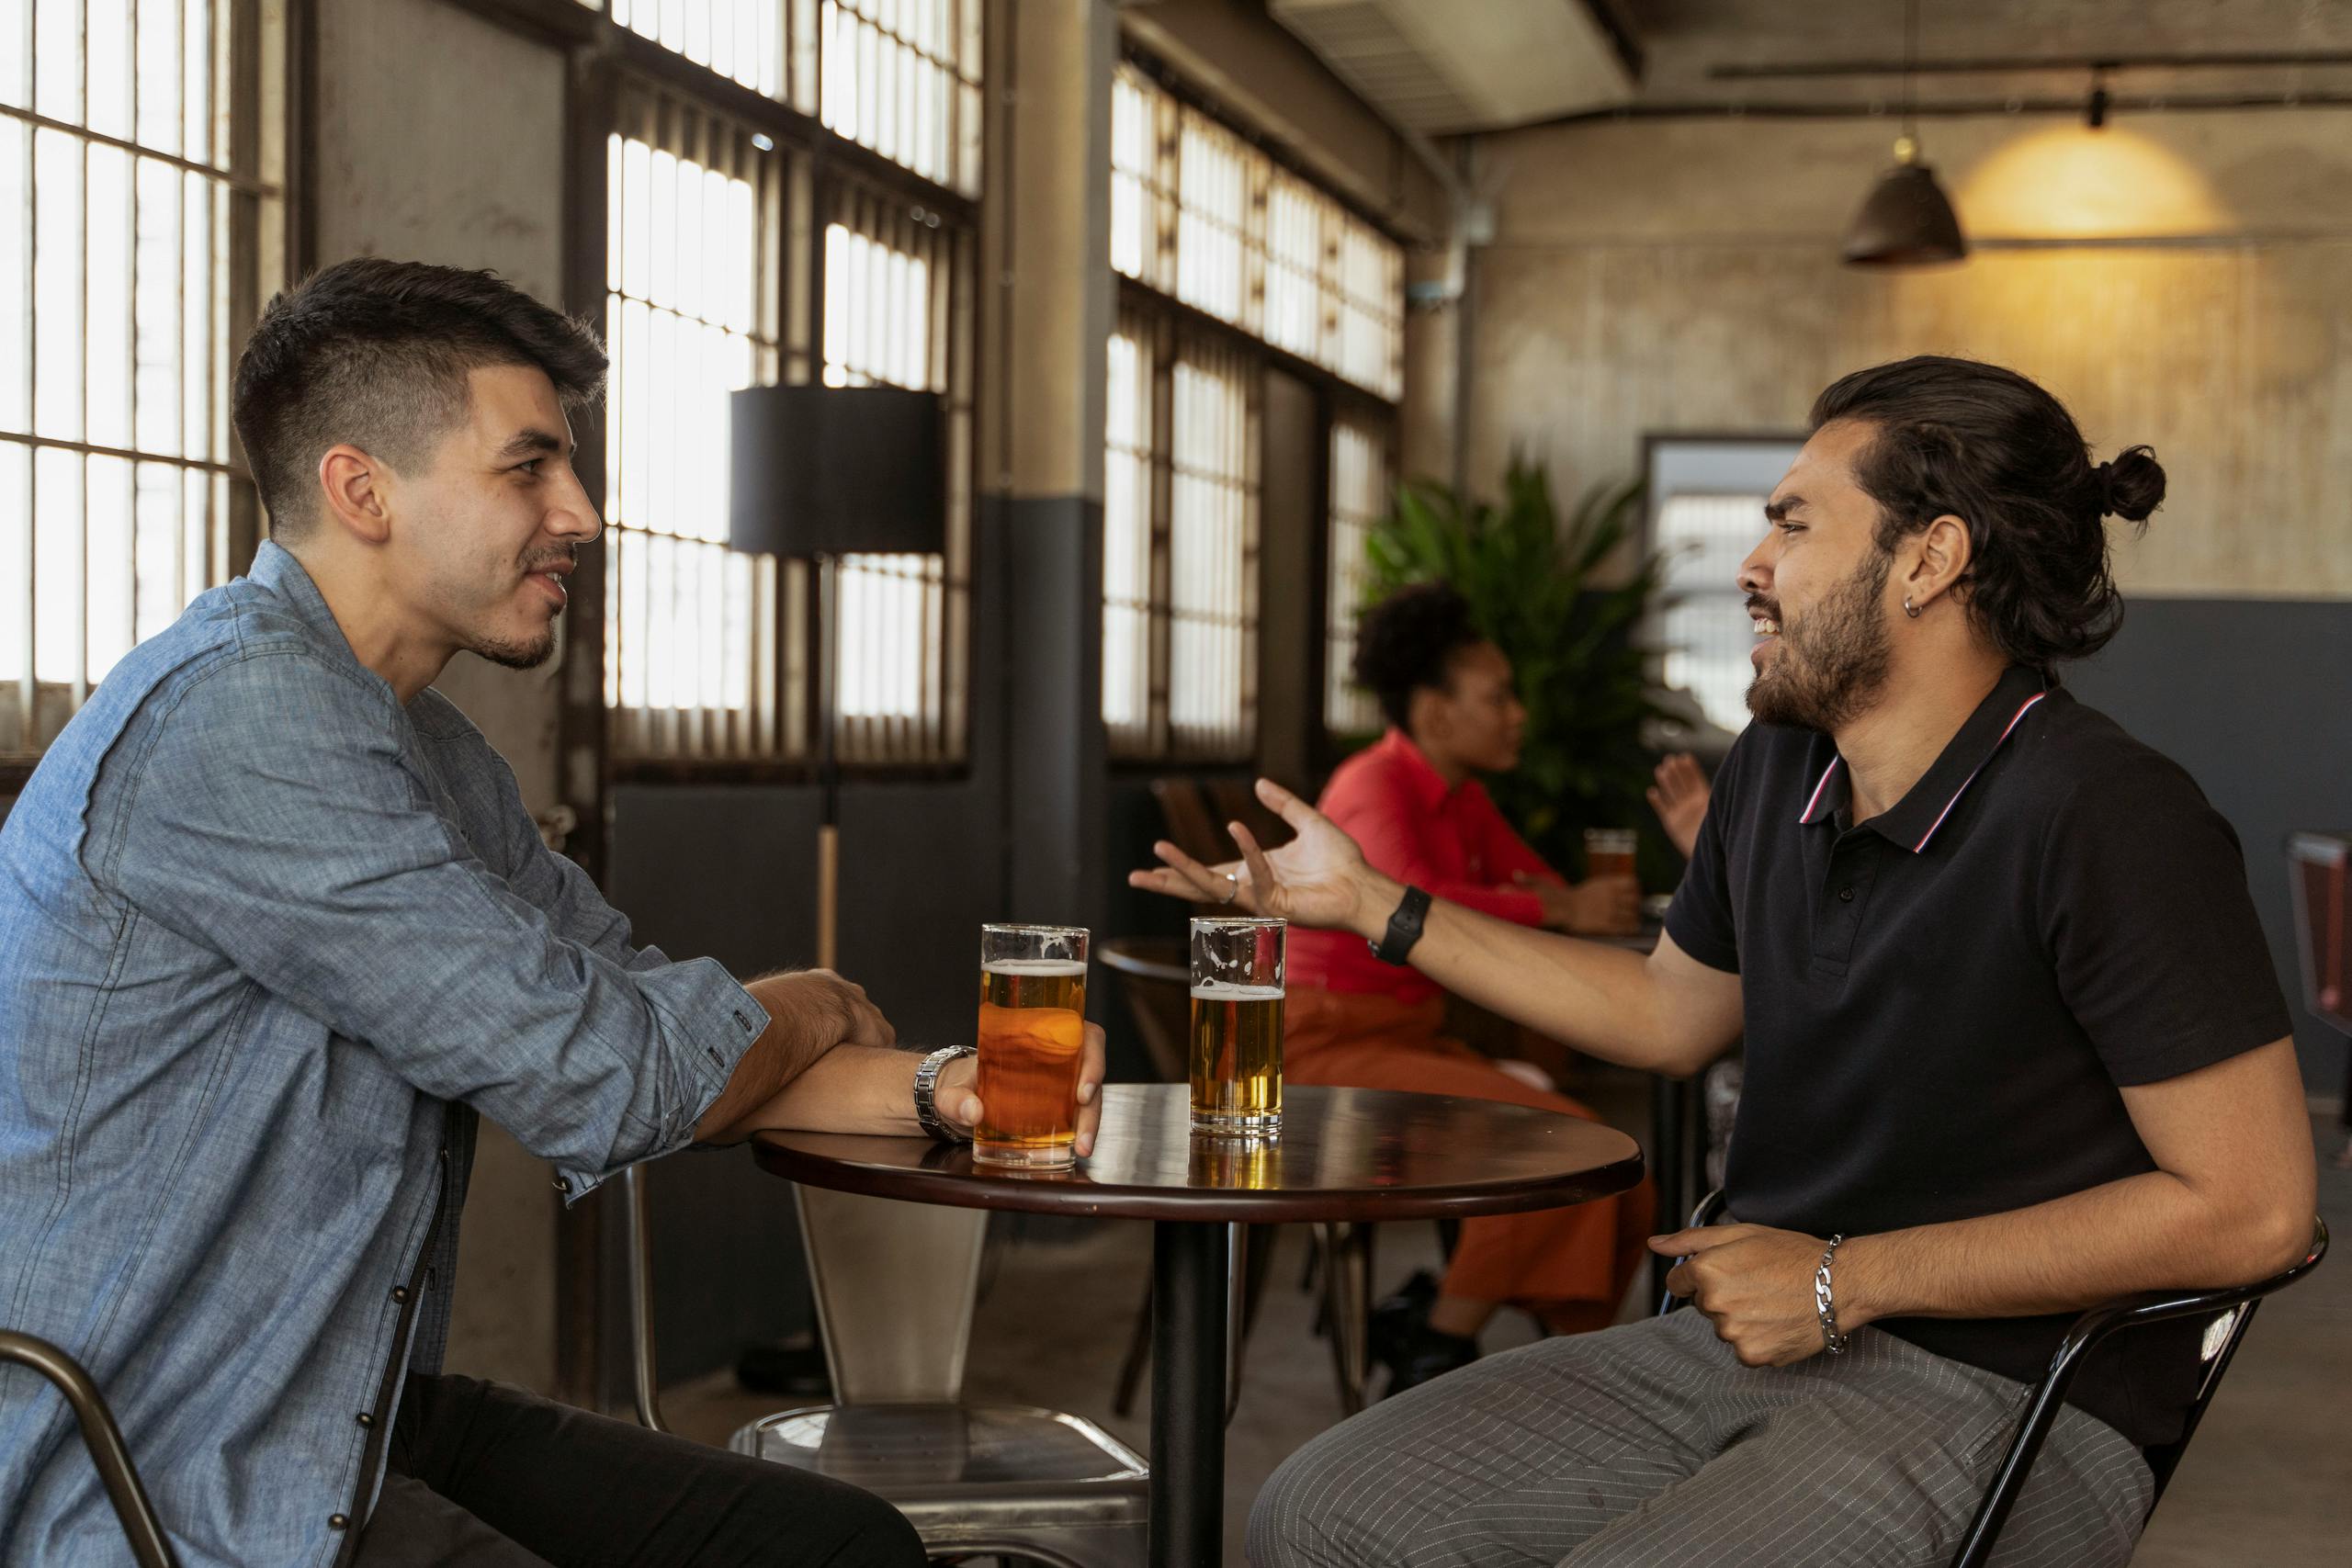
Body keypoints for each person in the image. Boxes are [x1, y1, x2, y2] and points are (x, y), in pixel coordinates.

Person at [0, 259, 1103, 1568]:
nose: (580, 510)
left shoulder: (432, 753)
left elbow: (648, 1027)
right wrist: (817, 996)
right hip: (155, 1458)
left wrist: (940, 1083)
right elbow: (616, 1072)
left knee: (841, 1546)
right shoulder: (241, 721)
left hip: (341, 1404)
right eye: (528, 466)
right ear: (363, 490)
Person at [1136, 355, 2315, 1568]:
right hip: (1749, 1335)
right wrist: (1374, 901)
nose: (1754, 565)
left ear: (1931, 556)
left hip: (2016, 1396)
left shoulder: (2108, 814)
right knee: (1319, 1513)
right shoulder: (1774, 767)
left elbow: (2258, 1209)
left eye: (1794, 523)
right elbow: (1664, 1008)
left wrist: (1843, 1279)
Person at [1282, 582, 1651, 1391]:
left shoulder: (1463, 796)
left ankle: (1557, 1359)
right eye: (1498, 696)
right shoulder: (1375, 784)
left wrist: (1572, 901)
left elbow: (1541, 886)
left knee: (1624, 1170)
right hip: (1325, 1051)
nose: (1517, 713)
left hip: (1407, 1038)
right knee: (1563, 1138)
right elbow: (1402, 897)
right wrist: (1562, 903)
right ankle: (1435, 1346)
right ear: (1435, 711)